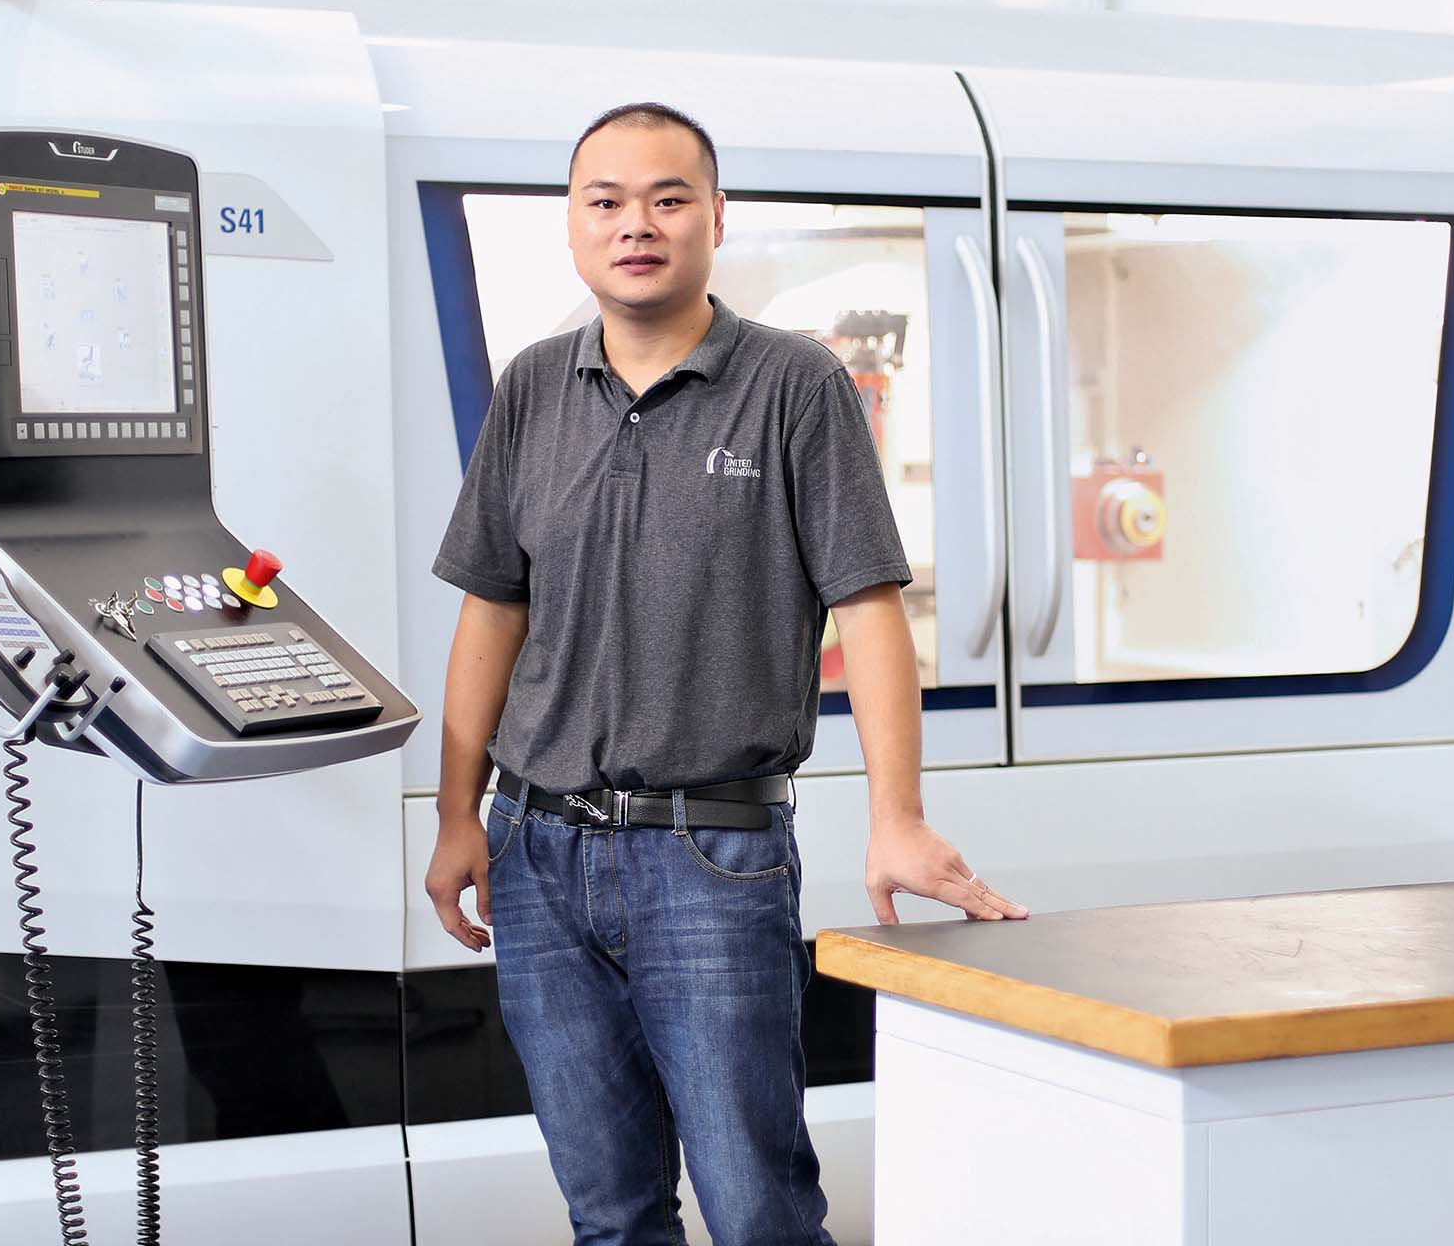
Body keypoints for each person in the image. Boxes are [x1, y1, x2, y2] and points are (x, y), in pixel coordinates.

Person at [424, 101, 1026, 1244]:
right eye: (606, 200)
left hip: (709, 856)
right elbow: (492, 611)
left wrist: (896, 817)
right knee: (610, 1216)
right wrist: (460, 814)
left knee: (757, 1211)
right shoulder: (532, 387)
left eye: (668, 199)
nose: (635, 224)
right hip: (536, 851)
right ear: (571, 223)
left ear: (714, 218)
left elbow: (869, 610)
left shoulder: (794, 383)